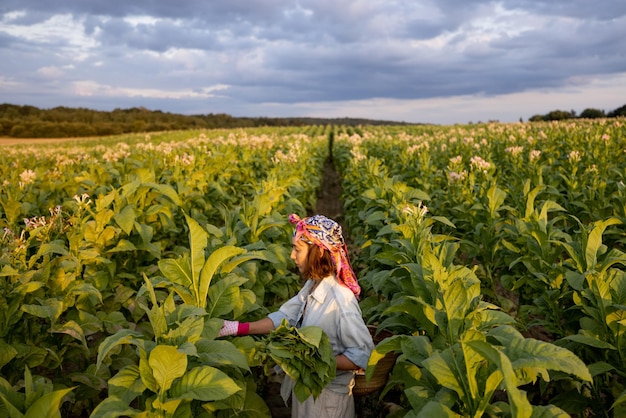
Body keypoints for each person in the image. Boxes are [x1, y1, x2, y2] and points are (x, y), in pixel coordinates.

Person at [218, 213, 374, 418]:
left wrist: (312, 361)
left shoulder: (340, 301)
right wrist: (237, 328)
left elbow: (361, 355)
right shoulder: (313, 285)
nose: (292, 256)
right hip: (309, 392)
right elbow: (286, 317)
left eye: (297, 249)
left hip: (327, 402)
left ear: (318, 252)